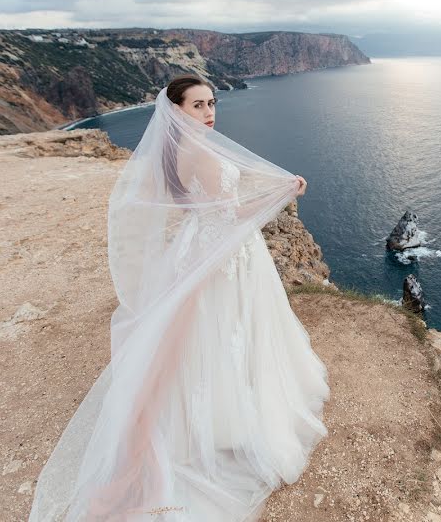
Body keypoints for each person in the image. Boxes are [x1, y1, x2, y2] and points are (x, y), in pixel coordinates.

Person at [29, 74, 330, 522]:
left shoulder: (174, 151)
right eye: (198, 105)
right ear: (176, 110)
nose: (209, 112)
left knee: (204, 334)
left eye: (211, 103)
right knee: (227, 330)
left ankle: (204, 414)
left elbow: (202, 206)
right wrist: (284, 192)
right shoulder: (201, 152)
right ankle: (225, 423)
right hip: (224, 254)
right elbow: (231, 214)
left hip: (200, 246)